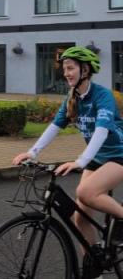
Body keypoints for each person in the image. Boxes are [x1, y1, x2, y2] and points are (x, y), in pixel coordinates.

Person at [13, 47, 123, 253]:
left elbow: (101, 130)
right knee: (80, 217)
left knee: (85, 192)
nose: (66, 73)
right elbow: (55, 126)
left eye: (70, 68)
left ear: (85, 70)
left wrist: (79, 161)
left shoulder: (102, 95)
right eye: (64, 69)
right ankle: (94, 262)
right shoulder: (72, 97)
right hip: (98, 158)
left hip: (119, 156)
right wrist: (32, 152)